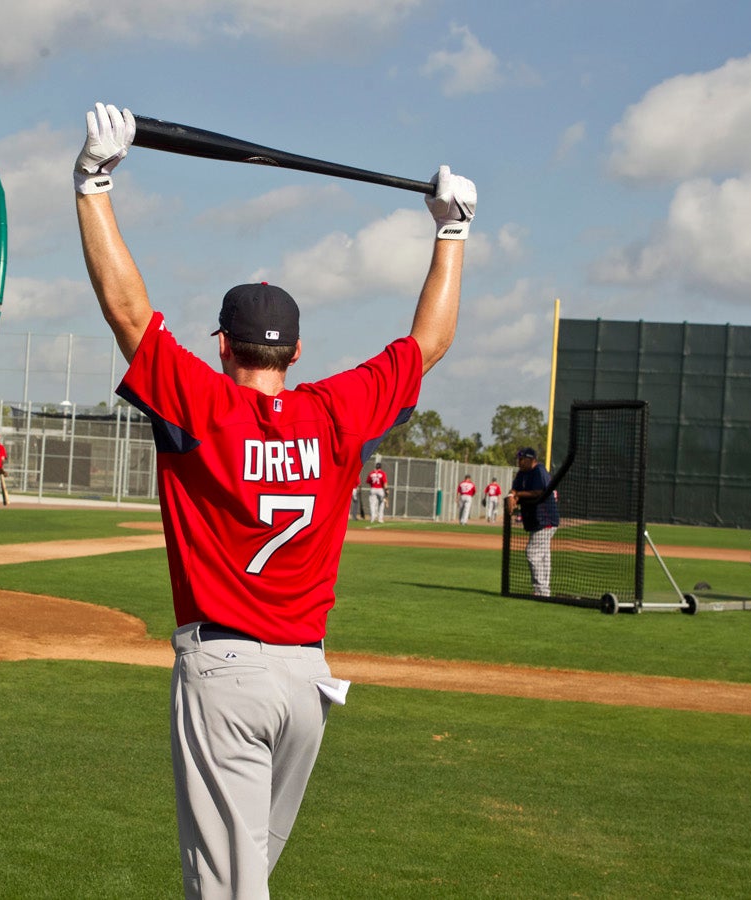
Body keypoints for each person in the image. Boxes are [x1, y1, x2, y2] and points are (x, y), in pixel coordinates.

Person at [74, 102, 474, 899]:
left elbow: (126, 312)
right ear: (296, 351)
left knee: (228, 891)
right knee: (246, 875)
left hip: (223, 672)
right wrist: (452, 233)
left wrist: (93, 183)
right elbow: (429, 342)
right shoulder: (338, 410)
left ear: (222, 345)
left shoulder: (202, 403)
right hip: (306, 683)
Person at [507, 447, 559, 597]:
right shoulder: (522, 473)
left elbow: (540, 491)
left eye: (522, 459)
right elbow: (514, 489)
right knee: (543, 555)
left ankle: (540, 590)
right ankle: (544, 590)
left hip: (546, 519)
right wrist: (512, 494)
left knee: (532, 553)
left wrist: (517, 495)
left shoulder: (539, 471)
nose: (519, 461)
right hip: (535, 520)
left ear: (531, 459)